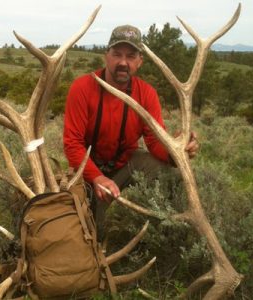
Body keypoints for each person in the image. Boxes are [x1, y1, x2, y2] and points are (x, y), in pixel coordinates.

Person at [63, 25, 199, 240]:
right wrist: (96, 177)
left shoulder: (146, 94)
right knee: (86, 230)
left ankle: (162, 235)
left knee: (170, 174)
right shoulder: (82, 88)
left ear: (139, 61)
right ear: (106, 56)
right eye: (117, 54)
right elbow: (72, 143)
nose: (123, 62)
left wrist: (176, 151)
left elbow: (154, 141)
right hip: (86, 171)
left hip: (125, 165)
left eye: (131, 56)